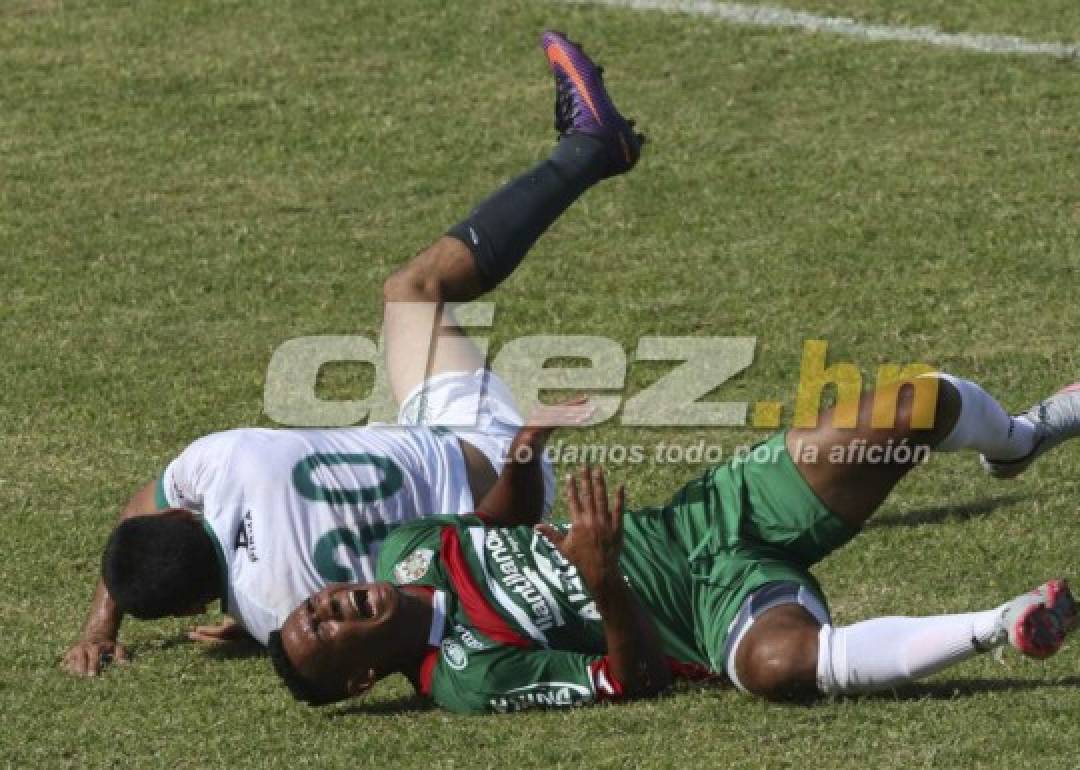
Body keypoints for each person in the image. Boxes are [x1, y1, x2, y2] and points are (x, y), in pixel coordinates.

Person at [267, 34, 1080, 714]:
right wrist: (602, 584)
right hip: (714, 616)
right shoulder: (465, 676)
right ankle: (1005, 624)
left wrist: (524, 456)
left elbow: (493, 526)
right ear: (360, 681)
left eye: (318, 605)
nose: (334, 606)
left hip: (704, 519)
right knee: (777, 668)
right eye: (328, 631)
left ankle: (1015, 439)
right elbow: (630, 682)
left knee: (917, 403)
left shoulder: (404, 550)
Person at [58, 25, 644, 676]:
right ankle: (591, 147)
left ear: (196, 603)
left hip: (496, 509)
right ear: (178, 513)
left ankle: (595, 145)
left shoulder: (273, 614)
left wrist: (241, 617)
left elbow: (289, 608)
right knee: (413, 290)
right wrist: (99, 620)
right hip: (481, 454)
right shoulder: (218, 462)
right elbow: (136, 512)